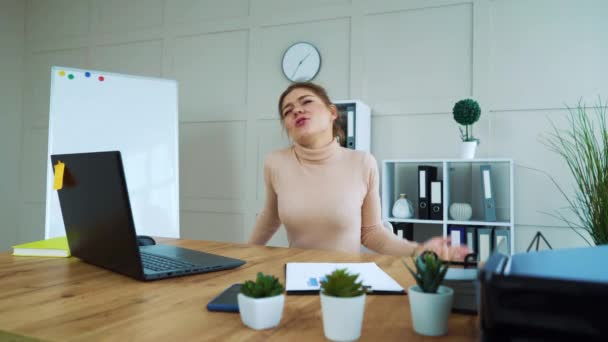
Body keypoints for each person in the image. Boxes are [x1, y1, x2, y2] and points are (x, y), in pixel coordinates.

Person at [247, 82, 468, 260]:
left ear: (332, 112)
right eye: (288, 111)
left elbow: (372, 232)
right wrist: (244, 255)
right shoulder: (275, 163)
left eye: (306, 101)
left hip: (346, 282)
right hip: (295, 277)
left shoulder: (363, 163)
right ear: (287, 125)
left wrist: (417, 250)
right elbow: (270, 217)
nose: (297, 110)